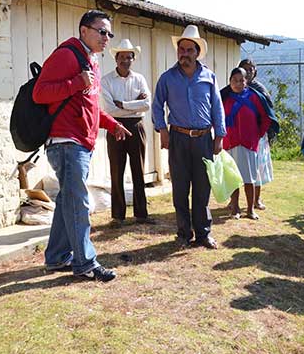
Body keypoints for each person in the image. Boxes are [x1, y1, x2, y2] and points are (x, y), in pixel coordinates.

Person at [32, 10, 131, 282]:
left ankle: (56, 257)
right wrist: (76, 82)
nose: (106, 37)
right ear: (84, 30)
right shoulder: (66, 55)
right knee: (78, 204)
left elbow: (89, 105)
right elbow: (39, 93)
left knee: (68, 201)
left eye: (109, 33)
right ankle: (86, 263)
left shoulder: (92, 61)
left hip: (81, 143)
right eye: (102, 31)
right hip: (66, 142)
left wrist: (112, 124)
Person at [152, 25, 225, 249]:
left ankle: (203, 233)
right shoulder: (167, 78)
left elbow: (217, 108)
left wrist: (219, 135)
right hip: (178, 138)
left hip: (204, 138)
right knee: (181, 187)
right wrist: (163, 131)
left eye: (189, 50)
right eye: (181, 49)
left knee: (203, 187)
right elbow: (157, 106)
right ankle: (184, 233)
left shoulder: (208, 76)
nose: (184, 53)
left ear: (197, 52)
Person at [100, 38, 155, 227]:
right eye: (122, 57)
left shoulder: (139, 79)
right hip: (115, 126)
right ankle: (118, 216)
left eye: (129, 57)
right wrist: (135, 104)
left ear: (133, 59)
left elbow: (147, 104)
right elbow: (110, 109)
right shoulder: (106, 80)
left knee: (138, 169)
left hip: (136, 126)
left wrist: (123, 104)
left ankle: (141, 214)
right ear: (116, 58)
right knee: (117, 170)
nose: (125, 60)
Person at [221, 67, 272, 220]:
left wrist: (257, 134)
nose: (237, 83)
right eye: (234, 80)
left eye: (241, 80)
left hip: (249, 144)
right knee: (233, 177)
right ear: (229, 82)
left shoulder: (254, 98)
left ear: (246, 82)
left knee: (249, 178)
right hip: (230, 142)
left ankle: (250, 209)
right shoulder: (224, 98)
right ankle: (235, 207)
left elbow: (265, 118)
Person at [238, 58, 274, 211]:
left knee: (257, 168)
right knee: (237, 167)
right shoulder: (234, 88)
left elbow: (268, 113)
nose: (249, 71)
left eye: (252, 68)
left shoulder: (260, 89)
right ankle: (234, 202)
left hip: (258, 136)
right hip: (239, 136)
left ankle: (256, 200)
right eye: (246, 68)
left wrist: (263, 131)